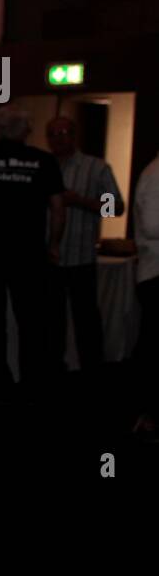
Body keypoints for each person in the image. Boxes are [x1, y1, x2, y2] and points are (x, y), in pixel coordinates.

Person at [0, 107, 65, 393]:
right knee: (31, 321)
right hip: (29, 254)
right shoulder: (44, 161)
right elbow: (58, 209)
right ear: (26, 130)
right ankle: (31, 379)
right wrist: (53, 245)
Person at [45, 116, 124, 374]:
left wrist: (80, 201)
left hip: (81, 258)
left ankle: (93, 374)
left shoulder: (97, 167)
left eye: (64, 132)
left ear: (74, 135)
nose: (58, 138)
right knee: (51, 322)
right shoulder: (43, 167)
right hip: (50, 259)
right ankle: (54, 370)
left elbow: (116, 208)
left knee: (86, 322)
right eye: (53, 134)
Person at [131, 151, 159, 437]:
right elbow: (151, 226)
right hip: (154, 275)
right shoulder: (155, 174)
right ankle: (147, 413)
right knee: (152, 348)